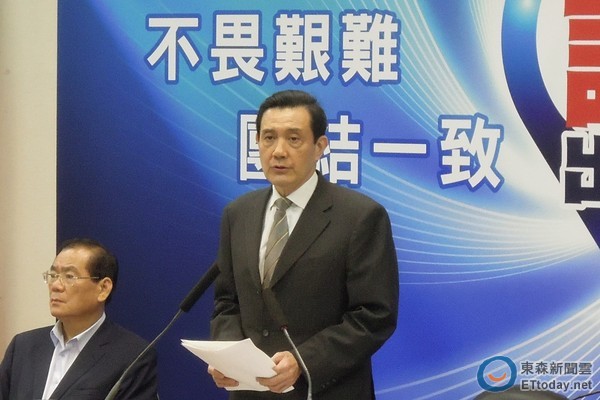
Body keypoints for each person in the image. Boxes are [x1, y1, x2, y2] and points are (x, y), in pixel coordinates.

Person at [208, 90, 399, 399]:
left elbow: (374, 316)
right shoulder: (238, 214)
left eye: (294, 139)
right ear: (256, 142)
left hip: (326, 391)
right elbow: (227, 303)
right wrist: (228, 356)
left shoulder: (360, 216)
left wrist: (303, 362)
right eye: (269, 138)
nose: (278, 151)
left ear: (320, 146)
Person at [0, 238, 158, 400]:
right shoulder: (23, 346)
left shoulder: (133, 357)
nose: (55, 286)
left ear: (103, 288)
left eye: (69, 276)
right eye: (53, 275)